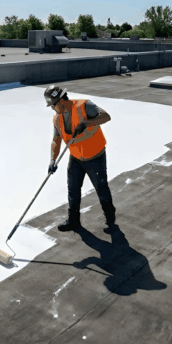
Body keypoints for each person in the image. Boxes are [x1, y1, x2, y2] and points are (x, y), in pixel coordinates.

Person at [45, 85, 116, 233]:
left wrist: (86, 123)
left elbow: (106, 116)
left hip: (95, 157)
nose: (52, 109)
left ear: (60, 101)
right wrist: (52, 160)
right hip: (76, 158)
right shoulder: (57, 119)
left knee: (101, 188)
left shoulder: (84, 105)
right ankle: (73, 221)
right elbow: (56, 140)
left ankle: (110, 220)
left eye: (52, 105)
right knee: (73, 190)